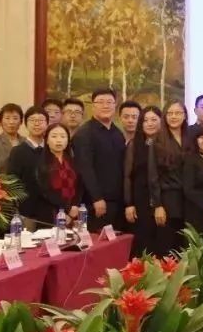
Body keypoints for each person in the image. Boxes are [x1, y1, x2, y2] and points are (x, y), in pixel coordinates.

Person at [72, 88, 126, 233]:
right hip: (95, 204)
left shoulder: (118, 133)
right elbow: (85, 168)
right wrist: (97, 198)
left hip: (118, 203)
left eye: (109, 102)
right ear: (93, 106)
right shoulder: (84, 134)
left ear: (115, 105)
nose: (105, 106)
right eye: (100, 102)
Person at [123, 106, 161, 257]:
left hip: (161, 199)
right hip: (140, 201)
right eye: (145, 120)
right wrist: (129, 204)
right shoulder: (134, 144)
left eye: (154, 119)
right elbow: (127, 176)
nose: (149, 123)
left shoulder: (166, 144)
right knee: (143, 244)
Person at [30, 124, 84, 227]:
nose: (59, 140)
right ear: (46, 140)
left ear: (68, 140)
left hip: (73, 213)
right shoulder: (39, 161)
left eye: (63, 136)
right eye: (54, 136)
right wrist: (66, 209)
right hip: (49, 213)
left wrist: (74, 206)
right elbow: (45, 191)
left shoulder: (73, 161)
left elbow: (79, 186)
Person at [153, 101, 189, 253]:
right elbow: (153, 175)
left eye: (178, 113)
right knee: (168, 247)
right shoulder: (157, 141)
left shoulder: (191, 138)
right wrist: (158, 205)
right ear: (165, 116)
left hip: (189, 200)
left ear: (185, 116)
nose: (174, 116)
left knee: (186, 247)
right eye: (170, 113)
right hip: (168, 200)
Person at [7, 107, 49, 228]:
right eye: (32, 120)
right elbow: (13, 183)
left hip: (49, 211)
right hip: (26, 211)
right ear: (25, 124)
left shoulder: (51, 150)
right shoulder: (17, 151)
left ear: (47, 124)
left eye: (40, 120)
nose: (36, 123)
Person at [0, 103, 24, 174]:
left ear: (21, 121)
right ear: (1, 121)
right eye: (7, 118)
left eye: (15, 118)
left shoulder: (26, 142)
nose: (11, 122)